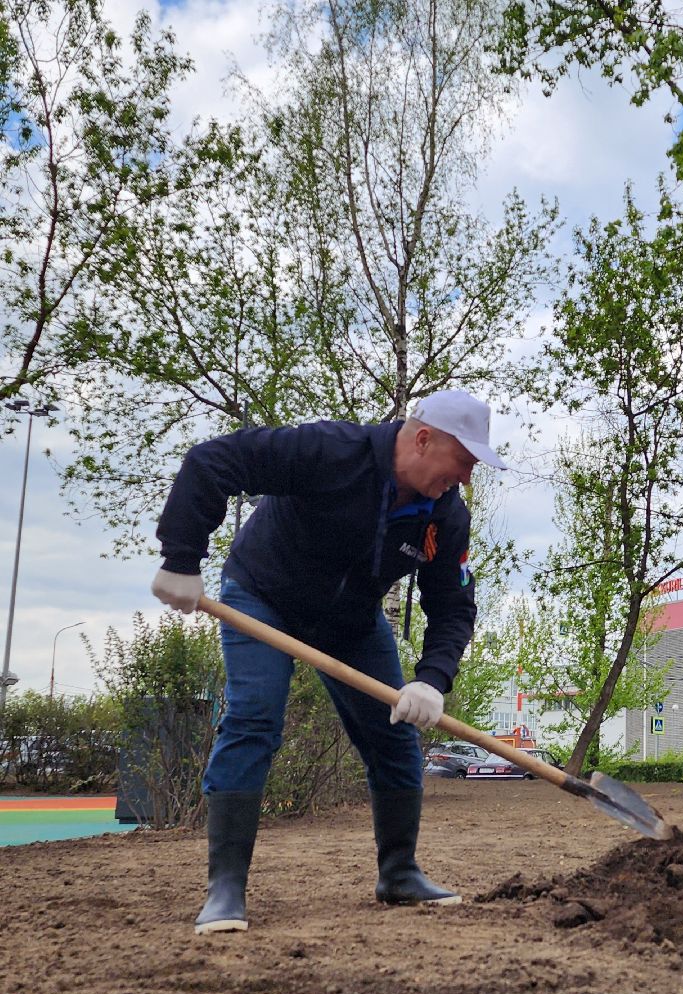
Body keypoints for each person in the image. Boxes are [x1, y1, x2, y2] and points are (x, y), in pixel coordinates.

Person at [151, 389, 507, 934]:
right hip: (262, 596)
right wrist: (181, 558)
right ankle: (226, 888)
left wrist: (432, 681)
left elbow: (453, 607)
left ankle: (400, 873)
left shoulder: (444, 518)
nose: (465, 479)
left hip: (352, 621)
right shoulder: (331, 450)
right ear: (423, 437)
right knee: (255, 719)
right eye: (464, 461)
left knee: (395, 734)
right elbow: (212, 461)